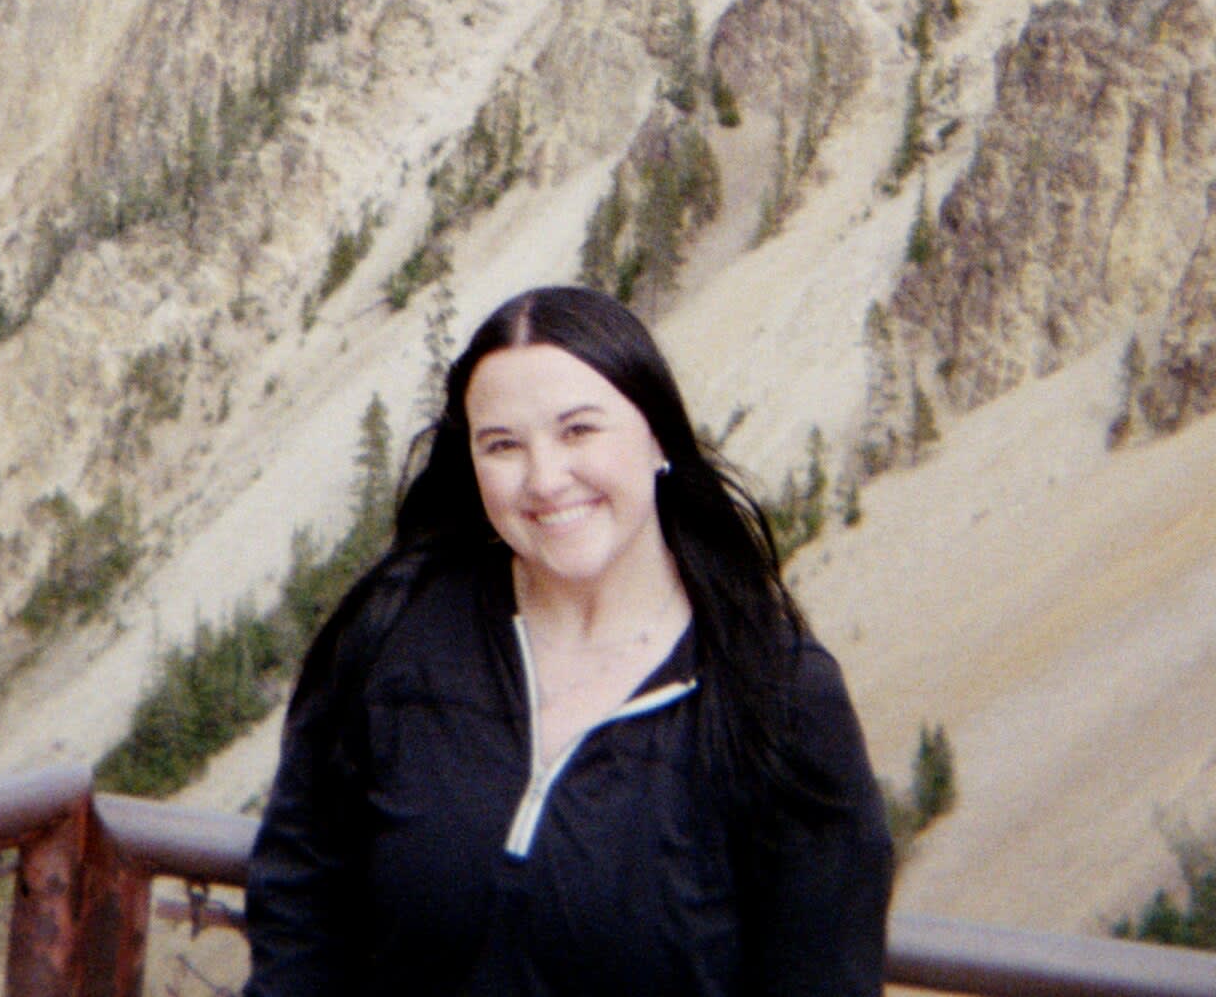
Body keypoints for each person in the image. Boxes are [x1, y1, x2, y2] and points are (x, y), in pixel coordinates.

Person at [244, 285, 894, 995]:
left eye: (579, 430)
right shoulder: (397, 634)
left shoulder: (777, 696)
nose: (545, 478)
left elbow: (823, 974)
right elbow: (300, 900)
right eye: (502, 445)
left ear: (658, 438)